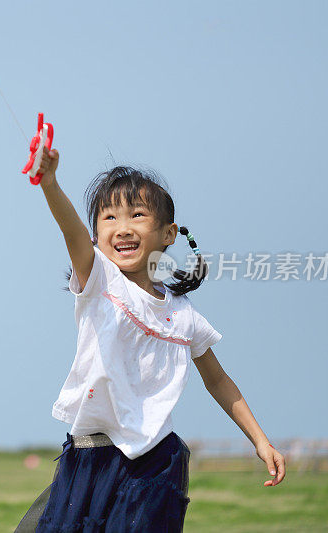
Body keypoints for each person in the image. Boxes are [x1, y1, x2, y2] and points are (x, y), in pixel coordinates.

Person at [14, 146, 286, 532]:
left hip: (155, 463)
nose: (122, 227)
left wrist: (261, 441)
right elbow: (70, 228)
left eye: (137, 215)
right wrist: (50, 183)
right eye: (109, 218)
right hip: (91, 458)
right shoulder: (98, 282)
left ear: (168, 234)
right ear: (96, 237)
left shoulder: (184, 316)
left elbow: (219, 381)